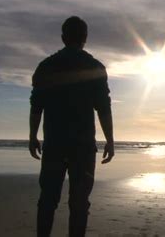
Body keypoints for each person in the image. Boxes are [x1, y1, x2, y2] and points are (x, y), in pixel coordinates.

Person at [29, 16, 114, 237]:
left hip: (55, 144)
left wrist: (32, 136)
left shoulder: (46, 67)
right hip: (83, 147)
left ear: (63, 37)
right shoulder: (95, 68)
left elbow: (36, 106)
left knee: (48, 200)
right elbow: (103, 108)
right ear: (85, 38)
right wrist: (110, 140)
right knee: (79, 203)